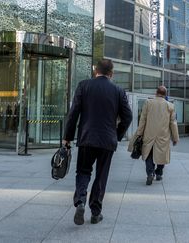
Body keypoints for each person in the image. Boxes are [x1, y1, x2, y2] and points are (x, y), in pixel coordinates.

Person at [63, 59, 133, 225]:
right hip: (107, 141)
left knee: (83, 171)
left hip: (87, 138)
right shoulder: (118, 91)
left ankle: (80, 201)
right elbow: (128, 117)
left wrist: (68, 137)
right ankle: (96, 212)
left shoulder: (84, 85)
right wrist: (116, 135)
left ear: (96, 71)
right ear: (111, 73)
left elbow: (73, 114)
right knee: (101, 176)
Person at [131, 86, 179, 185]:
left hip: (149, 134)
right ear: (165, 94)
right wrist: (175, 138)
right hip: (163, 136)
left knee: (148, 154)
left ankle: (150, 173)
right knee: (162, 155)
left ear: (156, 93)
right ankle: (159, 173)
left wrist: (139, 133)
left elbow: (143, 120)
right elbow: (173, 123)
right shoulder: (170, 106)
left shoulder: (148, 103)